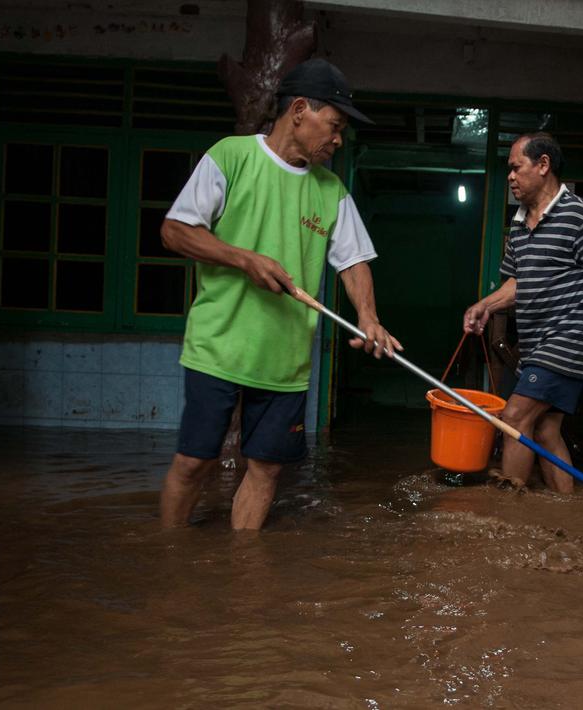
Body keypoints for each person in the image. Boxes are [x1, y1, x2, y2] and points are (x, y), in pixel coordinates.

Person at [158, 58, 402, 530]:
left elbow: (353, 261)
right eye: (333, 126)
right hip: (219, 347)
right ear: (299, 110)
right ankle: (169, 558)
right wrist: (244, 258)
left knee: (267, 469)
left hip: (285, 360)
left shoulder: (331, 190)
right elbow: (174, 231)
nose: (338, 139)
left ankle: (242, 576)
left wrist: (369, 318)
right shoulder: (231, 156)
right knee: (195, 463)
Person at [463, 132, 583, 493]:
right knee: (547, 429)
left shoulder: (579, 215)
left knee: (514, 416)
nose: (510, 176)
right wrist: (484, 305)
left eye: (516, 168)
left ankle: (508, 516)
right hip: (537, 343)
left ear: (543, 165)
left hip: (568, 337)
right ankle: (566, 509)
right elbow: (517, 283)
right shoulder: (519, 226)